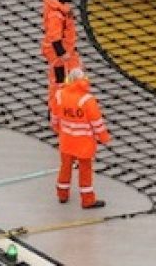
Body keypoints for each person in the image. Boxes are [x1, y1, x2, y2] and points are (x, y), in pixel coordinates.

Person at [49, 68, 111, 209]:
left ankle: (62, 194)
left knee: (65, 167)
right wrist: (104, 137)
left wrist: (57, 128)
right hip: (84, 143)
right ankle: (87, 200)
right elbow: (97, 122)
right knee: (85, 170)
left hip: (66, 140)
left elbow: (55, 116)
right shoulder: (87, 100)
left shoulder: (59, 95)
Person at [41, 0, 82, 109]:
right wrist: (62, 54)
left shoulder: (60, 8)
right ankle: (55, 108)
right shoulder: (56, 15)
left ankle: (65, 103)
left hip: (66, 50)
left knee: (74, 74)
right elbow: (55, 39)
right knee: (59, 80)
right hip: (58, 54)